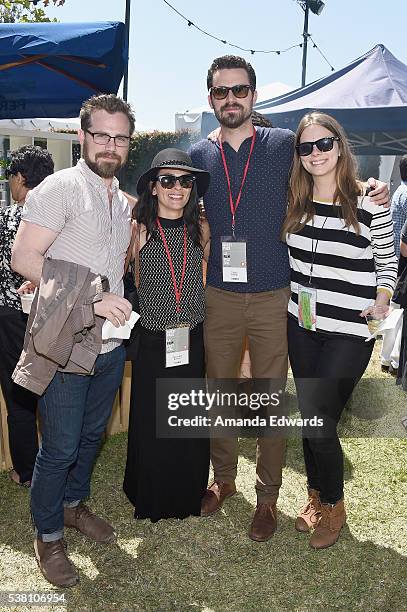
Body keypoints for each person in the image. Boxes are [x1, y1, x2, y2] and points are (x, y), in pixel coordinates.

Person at [189, 54, 390, 542]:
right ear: (211, 98)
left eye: (239, 90)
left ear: (253, 96)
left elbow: (325, 170)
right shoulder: (198, 155)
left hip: (277, 295)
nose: (230, 99)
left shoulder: (283, 145)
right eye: (221, 92)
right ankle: (225, 481)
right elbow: (177, 206)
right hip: (218, 292)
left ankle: (268, 498)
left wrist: (369, 187)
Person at [11, 94, 135, 588]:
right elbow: (24, 258)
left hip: (110, 346)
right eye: (101, 135)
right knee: (59, 447)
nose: (110, 145)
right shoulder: (58, 189)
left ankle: (72, 506)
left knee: (90, 437)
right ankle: (47, 535)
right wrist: (94, 296)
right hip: (65, 342)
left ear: (127, 143)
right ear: (82, 136)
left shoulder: (121, 201)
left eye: (119, 137)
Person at [282, 111, 398, 549]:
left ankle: (333, 502)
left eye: (323, 144)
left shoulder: (370, 201)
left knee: (318, 421)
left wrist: (383, 298)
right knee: (315, 418)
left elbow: (388, 261)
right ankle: (316, 496)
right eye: (305, 147)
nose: (315, 154)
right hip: (302, 325)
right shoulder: (294, 199)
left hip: (349, 331)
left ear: (340, 145)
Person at [123, 148, 210, 522]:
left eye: (185, 181)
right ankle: (153, 495)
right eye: (168, 180)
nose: (177, 188)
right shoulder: (139, 229)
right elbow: (122, 275)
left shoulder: (201, 229)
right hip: (154, 341)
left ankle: (187, 493)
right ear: (154, 188)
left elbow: (204, 280)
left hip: (191, 340)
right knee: (153, 426)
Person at [0, 145, 54, 486]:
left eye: (10, 178)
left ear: (20, 178)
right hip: (51, 314)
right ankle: (55, 462)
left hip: (9, 315)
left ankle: (28, 471)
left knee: (18, 393)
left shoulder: (6, 218)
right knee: (53, 390)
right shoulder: (57, 218)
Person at [380, 155, 407, 374]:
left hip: (393, 257)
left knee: (394, 311)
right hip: (401, 260)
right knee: (399, 313)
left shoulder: (399, 190)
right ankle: (394, 359)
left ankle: (386, 357)